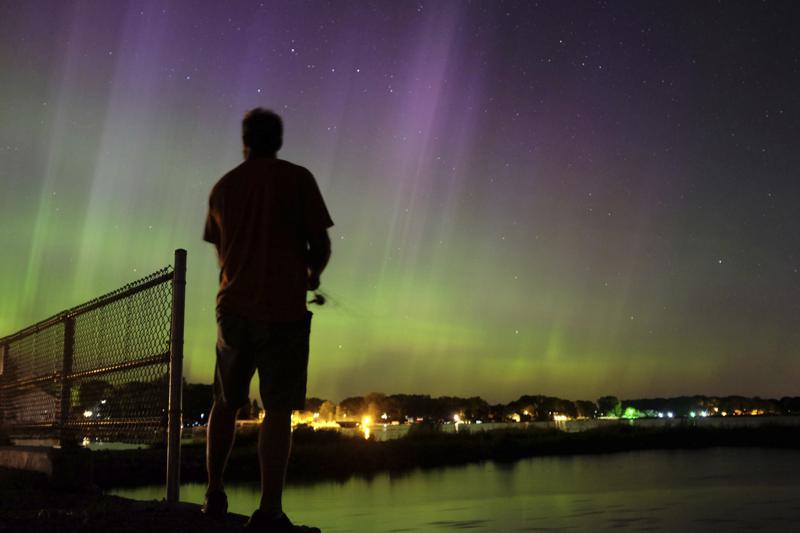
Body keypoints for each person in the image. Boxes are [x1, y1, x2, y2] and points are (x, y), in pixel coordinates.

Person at [201, 108, 332, 532]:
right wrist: (311, 273)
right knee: (277, 410)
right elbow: (321, 243)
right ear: (278, 141)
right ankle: (269, 512)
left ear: (245, 141)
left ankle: (214, 493)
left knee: (225, 402)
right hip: (284, 312)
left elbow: (221, 252)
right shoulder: (298, 178)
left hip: (233, 308)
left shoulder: (223, 188)